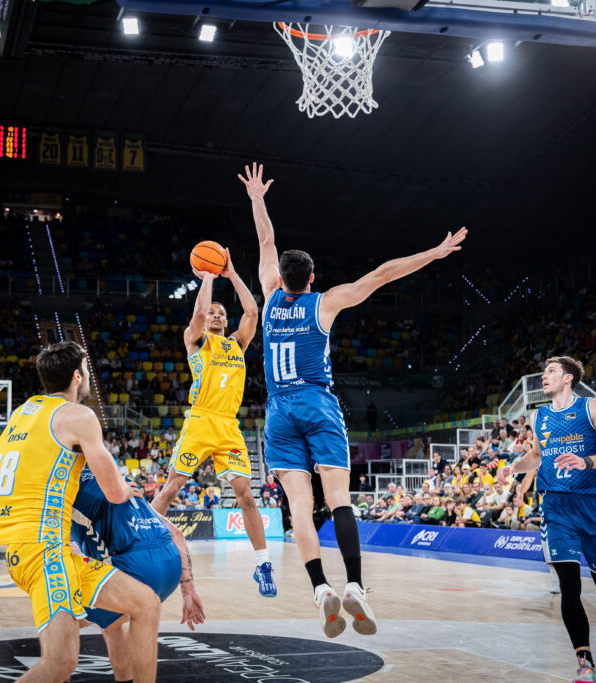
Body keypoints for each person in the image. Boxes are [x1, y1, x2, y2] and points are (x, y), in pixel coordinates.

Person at [239, 161, 467, 638]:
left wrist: (258, 198)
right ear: (312, 276)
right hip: (317, 405)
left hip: (278, 410)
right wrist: (437, 252)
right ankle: (356, 586)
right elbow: (383, 275)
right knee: (337, 497)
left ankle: (319, 589)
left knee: (300, 507)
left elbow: (264, 243)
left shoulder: (269, 296)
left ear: (280, 278)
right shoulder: (324, 302)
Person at [0, 341, 161, 683]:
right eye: (87, 371)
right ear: (77, 376)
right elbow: (114, 493)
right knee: (60, 664)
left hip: (42, 548)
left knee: (145, 603)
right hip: (44, 550)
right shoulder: (80, 416)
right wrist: (126, 488)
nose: (88, 377)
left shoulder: (25, 412)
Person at [150, 248, 275, 598]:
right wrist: (207, 276)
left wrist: (232, 273)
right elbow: (200, 311)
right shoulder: (197, 341)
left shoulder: (237, 343)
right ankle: (136, 536)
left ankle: (263, 564)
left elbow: (252, 311)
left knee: (246, 494)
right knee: (173, 485)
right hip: (201, 420)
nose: (217, 315)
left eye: (222, 313)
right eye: (213, 314)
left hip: (228, 426)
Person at [507, 356, 596, 683]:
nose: (543, 377)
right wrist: (513, 467)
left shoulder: (593, 407)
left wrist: (586, 461)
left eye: (550, 371)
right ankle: (585, 661)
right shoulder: (539, 416)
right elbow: (537, 455)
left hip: (593, 505)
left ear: (568, 378)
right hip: (556, 506)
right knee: (569, 586)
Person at [70, 466, 206, 682]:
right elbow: (177, 535)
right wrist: (188, 592)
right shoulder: (122, 480)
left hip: (134, 565)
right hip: (170, 565)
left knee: (62, 619)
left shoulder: (66, 484)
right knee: (112, 625)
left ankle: (55, 670)